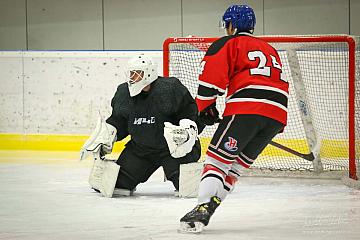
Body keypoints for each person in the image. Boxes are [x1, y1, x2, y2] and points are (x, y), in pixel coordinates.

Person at [179, 4, 289, 233]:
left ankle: (201, 208)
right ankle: (210, 206)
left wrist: (205, 107)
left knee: (217, 161)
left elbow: (210, 80)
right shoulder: (269, 48)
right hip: (277, 114)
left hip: (247, 108)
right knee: (235, 166)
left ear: (231, 25)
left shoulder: (228, 43)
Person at [80, 54, 203, 197]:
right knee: (113, 184)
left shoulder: (170, 89)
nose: (132, 78)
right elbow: (119, 121)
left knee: (191, 187)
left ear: (149, 73)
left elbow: (191, 115)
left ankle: (212, 174)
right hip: (140, 150)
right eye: (131, 73)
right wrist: (107, 134)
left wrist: (186, 131)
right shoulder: (124, 93)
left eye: (137, 73)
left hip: (172, 150)